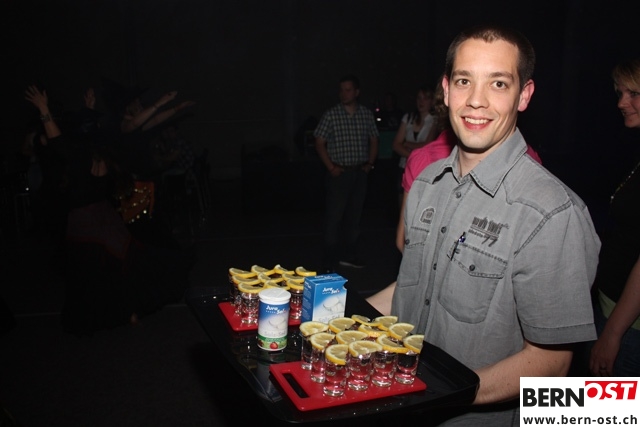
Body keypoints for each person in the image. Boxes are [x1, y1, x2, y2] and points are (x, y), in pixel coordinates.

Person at [366, 25, 600, 425]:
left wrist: (434, 395)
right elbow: (411, 286)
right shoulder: (427, 183)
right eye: (464, 81)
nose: (476, 100)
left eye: (498, 83)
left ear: (524, 95)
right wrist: (330, 317)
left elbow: (550, 363)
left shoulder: (550, 213)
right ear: (446, 89)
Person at [24, 85, 192, 336]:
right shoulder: (101, 157)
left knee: (94, 274)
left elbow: (59, 142)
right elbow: (75, 137)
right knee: (121, 265)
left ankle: (120, 312)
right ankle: (129, 311)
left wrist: (43, 109)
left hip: (86, 225)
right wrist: (87, 109)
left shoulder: (79, 160)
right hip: (106, 219)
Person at [589, 58, 640, 377]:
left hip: (629, 329)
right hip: (612, 310)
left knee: (600, 405)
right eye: (620, 93)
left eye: (633, 93)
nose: (621, 102)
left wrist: (612, 334)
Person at [314, 74, 379, 272]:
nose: (344, 93)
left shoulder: (365, 114)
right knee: (334, 218)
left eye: (348, 90)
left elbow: (374, 139)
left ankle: (349, 255)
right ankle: (329, 260)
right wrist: (330, 167)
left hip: (359, 172)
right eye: (342, 90)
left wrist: (370, 163)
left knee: (354, 218)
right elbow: (319, 142)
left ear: (357, 92)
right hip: (339, 173)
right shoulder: (332, 114)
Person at [391, 86, 435, 204]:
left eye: (425, 98)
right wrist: (414, 155)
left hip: (423, 168)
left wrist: (406, 143)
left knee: (420, 202)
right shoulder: (408, 118)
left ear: (432, 101)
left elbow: (427, 145)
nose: (421, 101)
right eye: (419, 98)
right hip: (404, 166)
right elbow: (396, 144)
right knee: (402, 202)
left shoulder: (435, 120)